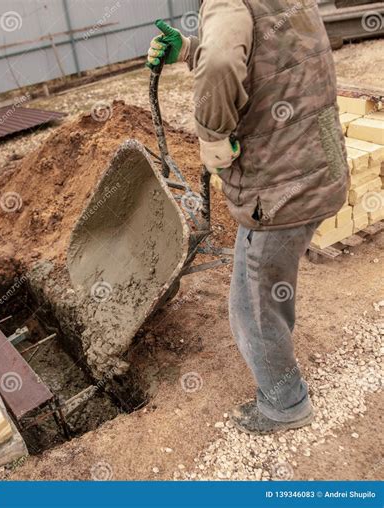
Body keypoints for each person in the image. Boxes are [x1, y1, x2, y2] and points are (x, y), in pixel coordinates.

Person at [146, 0, 349, 434]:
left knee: (251, 306)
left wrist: (213, 135)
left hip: (278, 187)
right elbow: (267, 55)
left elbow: (222, 62)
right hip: (321, 164)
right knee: (269, 287)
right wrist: (189, 49)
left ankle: (285, 404)